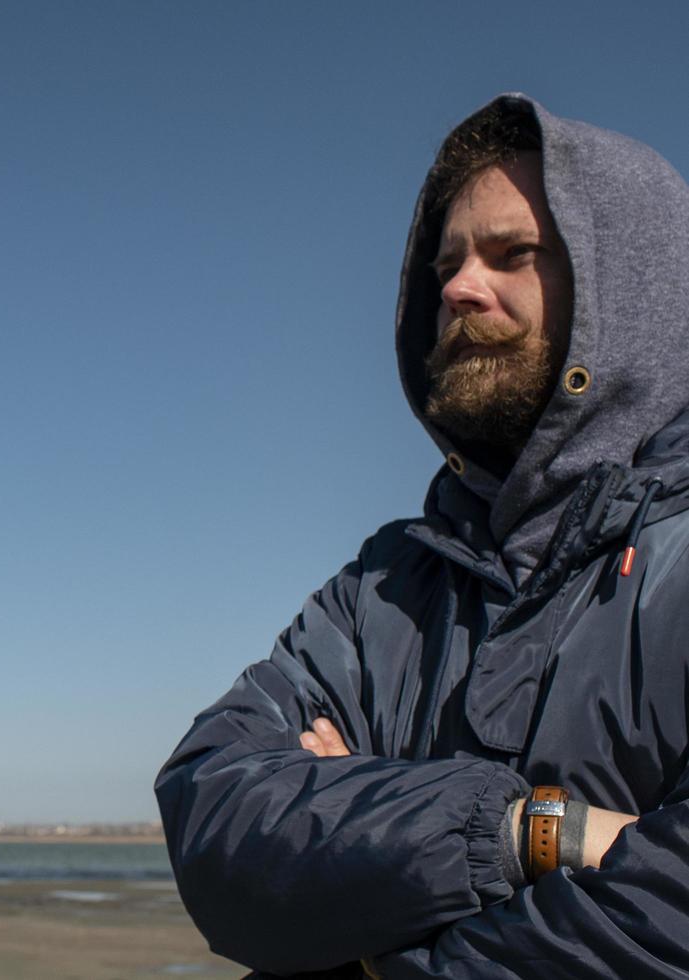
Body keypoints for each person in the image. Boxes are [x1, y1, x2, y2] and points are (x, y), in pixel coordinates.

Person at [155, 93, 689, 979]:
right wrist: (522, 834)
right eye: (446, 263)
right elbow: (214, 816)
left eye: (511, 254)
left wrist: (368, 921)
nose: (456, 288)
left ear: (627, 287)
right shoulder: (383, 588)